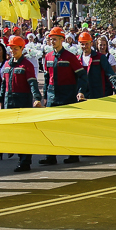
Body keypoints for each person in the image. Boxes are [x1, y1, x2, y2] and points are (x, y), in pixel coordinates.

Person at [37, 27, 89, 166]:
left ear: (62, 40)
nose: (52, 41)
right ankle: (50, 156)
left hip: (68, 94)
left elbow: (82, 76)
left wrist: (80, 91)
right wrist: (45, 95)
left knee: (69, 126)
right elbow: (47, 77)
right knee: (49, 126)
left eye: (55, 39)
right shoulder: (48, 57)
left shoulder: (70, 57)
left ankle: (72, 154)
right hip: (53, 94)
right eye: (51, 39)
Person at [0, 35, 43, 172]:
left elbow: (32, 82)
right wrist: (0, 99)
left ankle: (25, 160)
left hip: (22, 100)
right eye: (11, 48)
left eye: (15, 48)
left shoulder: (26, 65)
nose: (12, 51)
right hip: (8, 100)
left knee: (23, 132)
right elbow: (3, 84)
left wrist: (36, 98)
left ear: (22, 49)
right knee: (12, 131)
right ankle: (17, 153)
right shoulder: (7, 64)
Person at [79, 31, 116, 98]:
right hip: (82, 95)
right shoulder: (77, 59)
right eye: (82, 44)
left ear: (91, 43)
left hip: (97, 93)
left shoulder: (100, 57)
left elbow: (110, 72)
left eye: (87, 44)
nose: (84, 46)